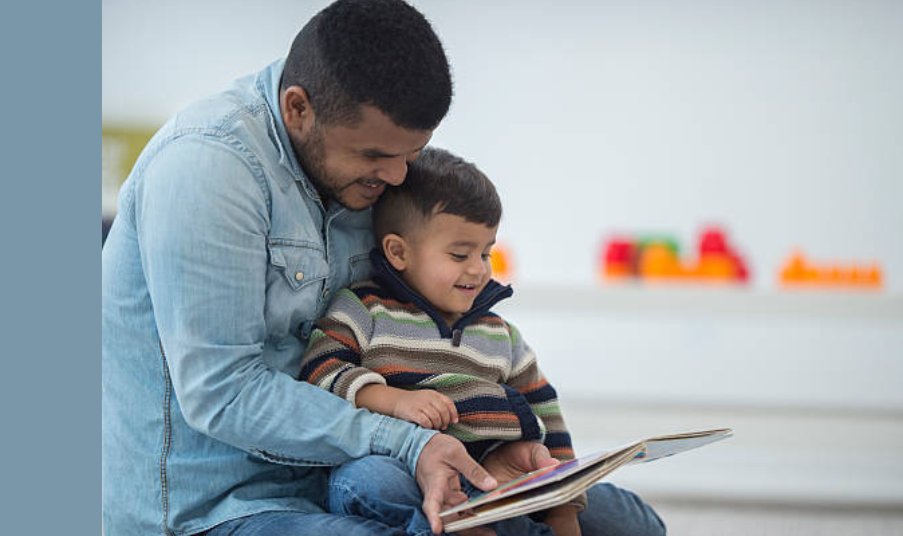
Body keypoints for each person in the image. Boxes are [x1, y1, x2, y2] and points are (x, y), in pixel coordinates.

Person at [102, 0, 664, 534]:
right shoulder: (208, 169)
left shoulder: (363, 173)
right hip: (214, 506)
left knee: (626, 524)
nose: (396, 178)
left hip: (341, 467)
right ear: (299, 109)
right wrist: (409, 443)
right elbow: (223, 393)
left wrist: (497, 444)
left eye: (411, 154)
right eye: (375, 156)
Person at [297, 147, 665, 536]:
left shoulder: (499, 333)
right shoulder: (364, 309)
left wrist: (562, 501)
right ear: (398, 252)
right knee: (366, 481)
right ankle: (471, 524)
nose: (478, 268)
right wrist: (395, 400)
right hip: (406, 471)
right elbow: (319, 371)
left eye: (486, 252)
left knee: (631, 519)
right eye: (459, 254)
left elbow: (547, 412)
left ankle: (490, 522)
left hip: (499, 481)